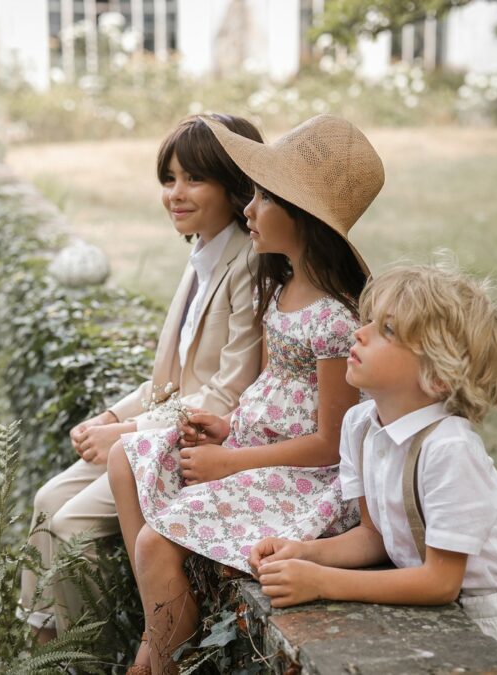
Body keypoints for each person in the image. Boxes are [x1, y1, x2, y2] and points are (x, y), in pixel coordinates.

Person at [107, 114, 385, 674]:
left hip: (301, 480)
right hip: (251, 448)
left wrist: (231, 460)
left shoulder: (331, 319)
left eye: (262, 199)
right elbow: (273, 395)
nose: (249, 210)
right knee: (126, 459)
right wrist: (226, 429)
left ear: (301, 215)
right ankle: (156, 627)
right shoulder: (280, 289)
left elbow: (331, 444)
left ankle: (161, 660)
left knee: (156, 543)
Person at [19, 114, 265, 644]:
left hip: (199, 443)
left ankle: (91, 650)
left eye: (194, 179)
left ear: (236, 185)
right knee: (45, 503)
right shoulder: (201, 252)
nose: (175, 194)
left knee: (72, 528)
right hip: (153, 432)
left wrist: (126, 435)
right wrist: (111, 416)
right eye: (169, 178)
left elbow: (228, 392)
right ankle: (42, 644)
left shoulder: (249, 263)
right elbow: (169, 378)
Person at [249, 263, 497, 675]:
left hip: (495, 627)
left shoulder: (449, 449)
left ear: (437, 375)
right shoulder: (361, 425)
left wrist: (322, 582)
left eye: (388, 331)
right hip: (434, 617)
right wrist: (305, 551)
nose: (359, 333)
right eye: (368, 320)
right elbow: (374, 535)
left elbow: (440, 581)